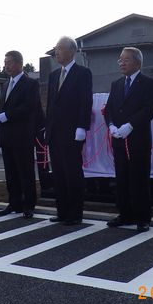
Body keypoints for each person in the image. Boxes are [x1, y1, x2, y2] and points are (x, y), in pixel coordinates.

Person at [104, 47, 153, 232]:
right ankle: (124, 214)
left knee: (139, 178)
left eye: (125, 60)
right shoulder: (116, 84)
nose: (121, 62)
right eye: (120, 59)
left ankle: (143, 217)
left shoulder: (149, 83)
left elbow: (149, 109)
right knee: (122, 178)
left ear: (137, 62)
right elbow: (110, 108)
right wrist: (111, 125)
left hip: (138, 138)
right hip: (119, 138)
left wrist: (130, 125)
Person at [46, 36, 93, 225]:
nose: (57, 52)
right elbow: (50, 104)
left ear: (71, 51)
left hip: (73, 131)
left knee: (72, 172)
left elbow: (85, 101)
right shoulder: (53, 75)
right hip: (54, 132)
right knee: (57, 172)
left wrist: (82, 126)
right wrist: (46, 126)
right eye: (55, 48)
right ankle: (62, 211)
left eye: (60, 48)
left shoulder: (83, 73)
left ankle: (75, 213)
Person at [0, 50, 42, 219]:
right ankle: (14, 202)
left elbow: (29, 107)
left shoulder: (30, 84)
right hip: (6, 134)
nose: (6, 65)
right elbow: (3, 107)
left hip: (22, 135)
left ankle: (28, 204)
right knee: (10, 171)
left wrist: (6, 116)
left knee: (25, 171)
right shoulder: (6, 84)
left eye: (9, 62)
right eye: (5, 62)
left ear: (19, 63)